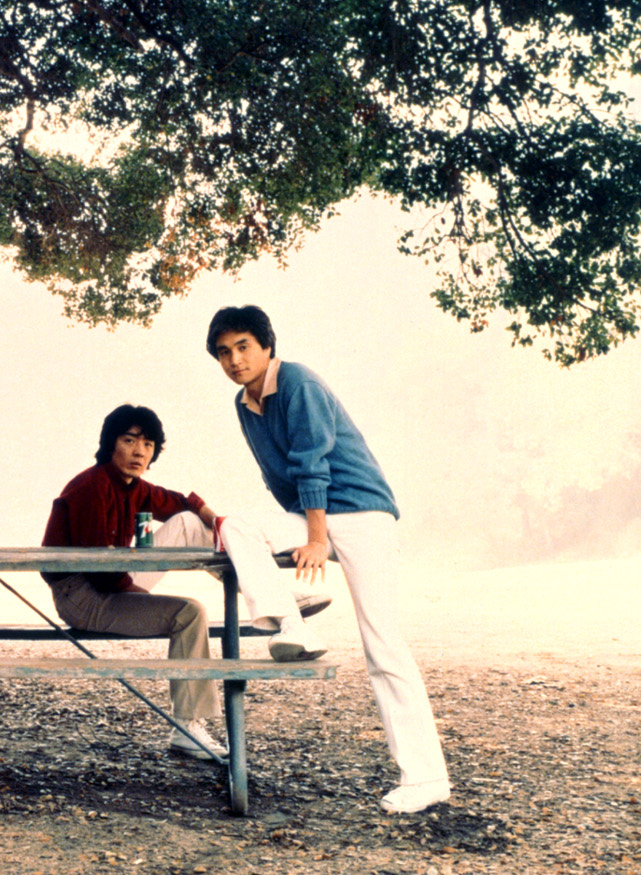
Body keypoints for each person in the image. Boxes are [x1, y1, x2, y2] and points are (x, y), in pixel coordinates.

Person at [205, 304, 450, 814]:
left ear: (267, 346)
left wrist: (316, 538)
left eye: (243, 347)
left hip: (361, 514)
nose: (234, 360)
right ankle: (292, 625)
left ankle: (427, 778)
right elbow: (279, 476)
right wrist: (301, 528)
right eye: (224, 352)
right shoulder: (243, 404)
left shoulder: (298, 383)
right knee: (236, 526)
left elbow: (311, 462)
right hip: (310, 513)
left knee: (382, 642)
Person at [40, 405, 231, 760]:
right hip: (82, 594)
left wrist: (212, 517)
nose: (139, 452)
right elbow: (99, 569)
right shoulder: (92, 486)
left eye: (148, 444)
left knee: (189, 521)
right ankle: (187, 727)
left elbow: (182, 503)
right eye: (129, 441)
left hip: (114, 581)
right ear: (110, 445)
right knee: (189, 613)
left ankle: (258, 592)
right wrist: (142, 595)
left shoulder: (135, 487)